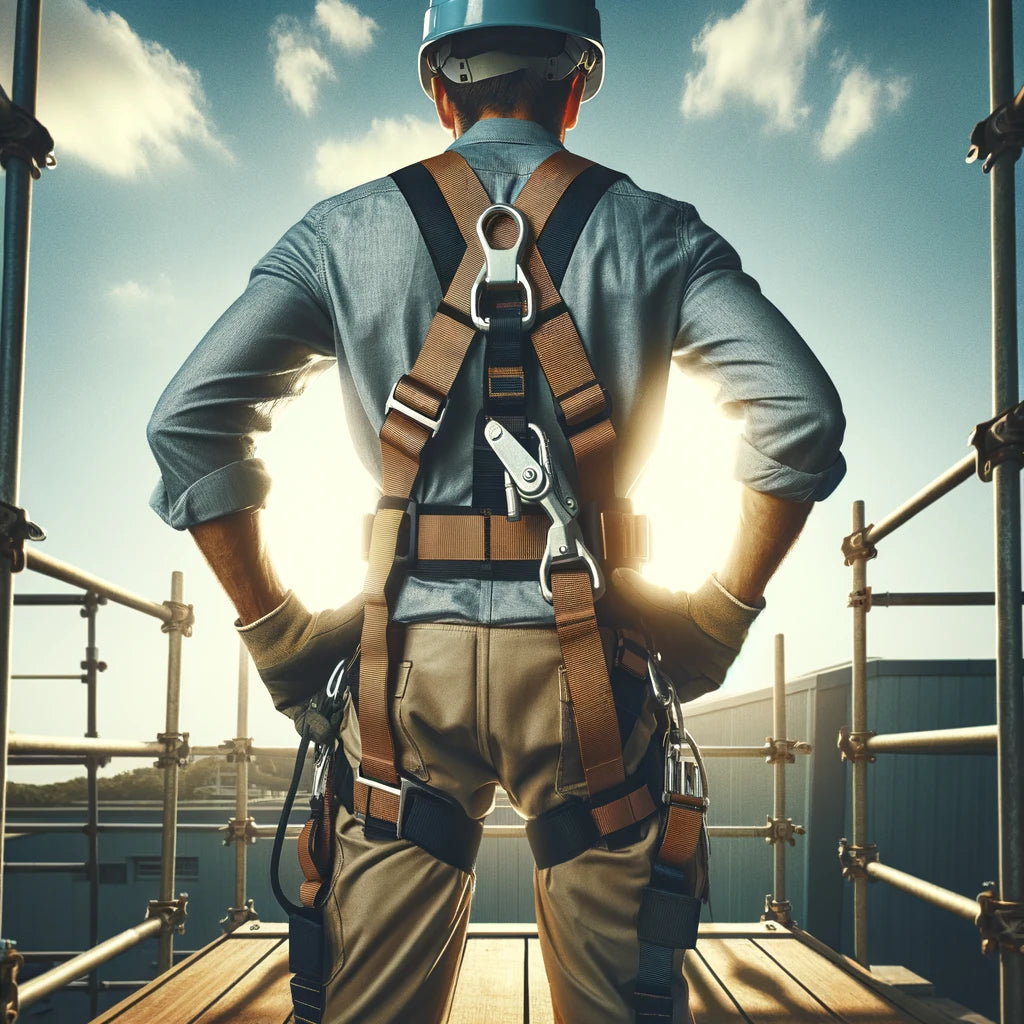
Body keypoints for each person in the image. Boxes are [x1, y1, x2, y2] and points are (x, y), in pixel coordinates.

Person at [147, 2, 845, 1021]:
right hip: (588, 680)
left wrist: (281, 633)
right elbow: (801, 417)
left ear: (439, 89)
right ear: (576, 86)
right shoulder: (657, 230)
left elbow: (186, 424)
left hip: (404, 675)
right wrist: (720, 612)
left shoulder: (338, 233)